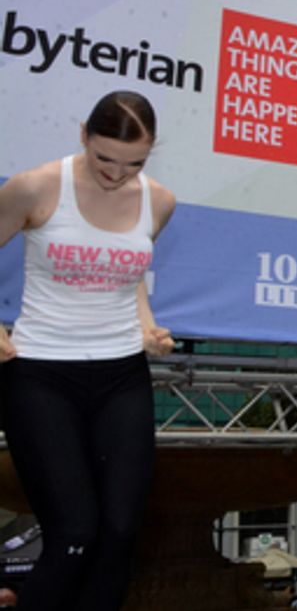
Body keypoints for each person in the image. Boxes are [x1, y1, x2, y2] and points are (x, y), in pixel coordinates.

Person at [0, 91, 177, 611]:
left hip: (121, 375)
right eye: (105, 158)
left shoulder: (159, 201)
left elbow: (128, 272)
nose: (116, 174)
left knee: (120, 531)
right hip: (40, 374)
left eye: (134, 164)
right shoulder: (35, 186)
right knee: (75, 532)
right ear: (83, 135)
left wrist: (147, 326)